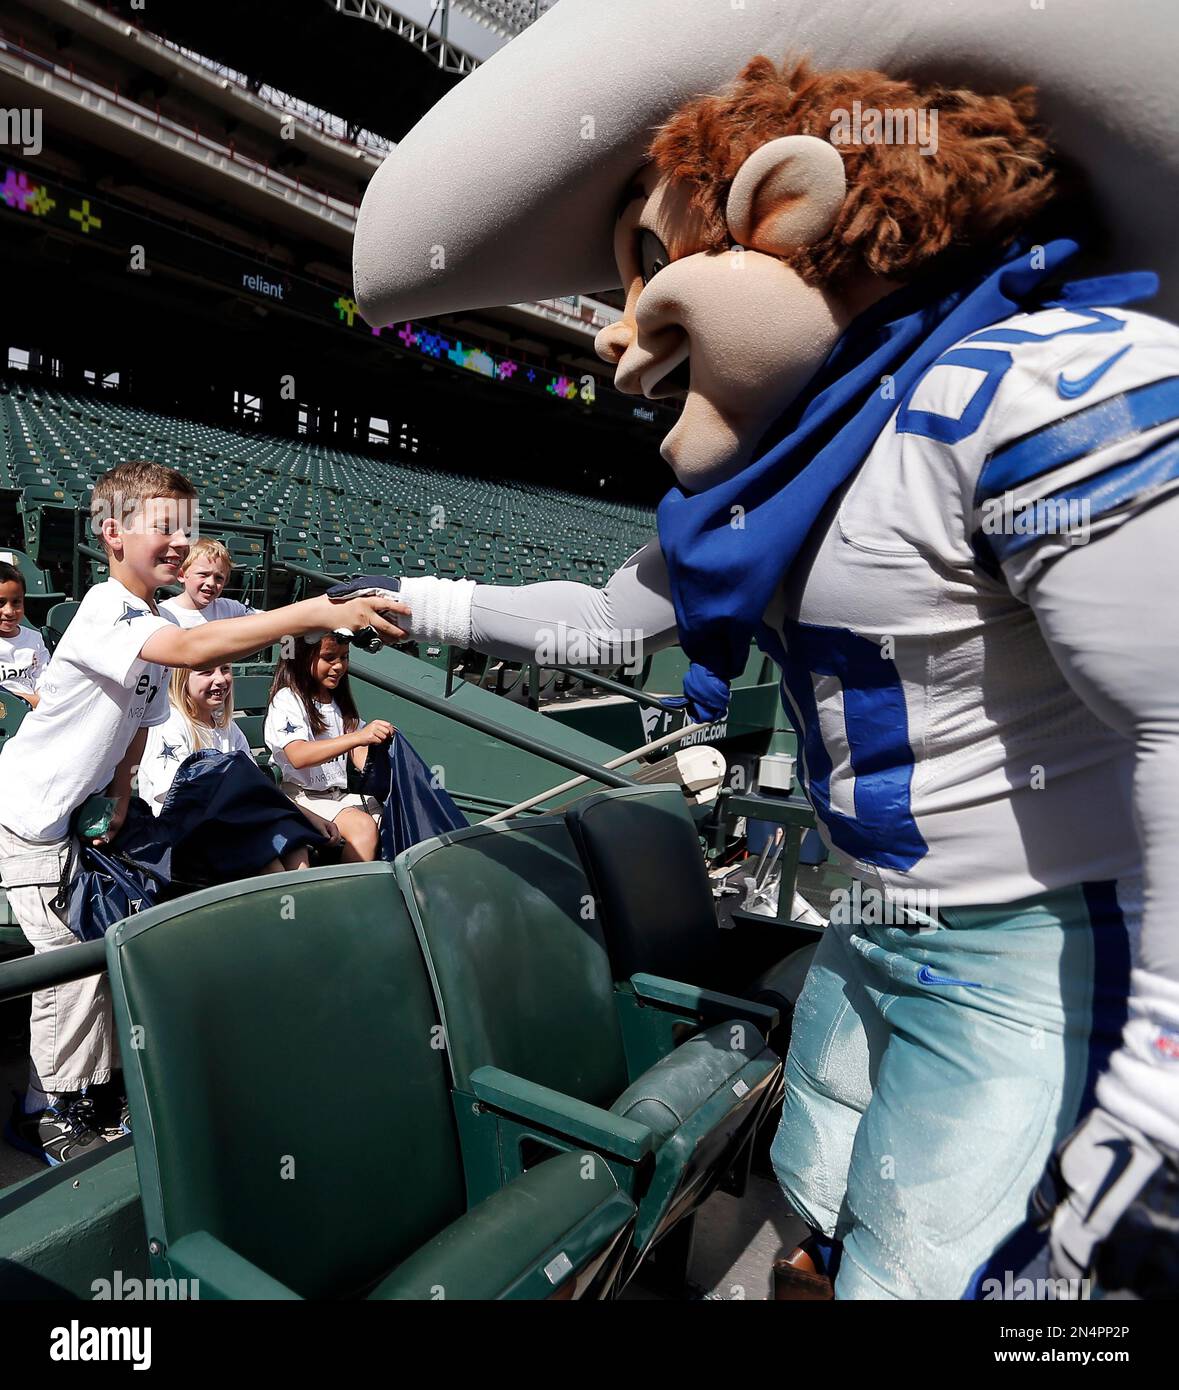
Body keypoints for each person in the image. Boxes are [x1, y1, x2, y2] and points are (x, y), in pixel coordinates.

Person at [352, 0, 1179, 1297]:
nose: (619, 333)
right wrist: (417, 597)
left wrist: (1161, 1087)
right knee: (803, 1192)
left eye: (654, 262)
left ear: (801, 209)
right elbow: (609, 624)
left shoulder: (1043, 384)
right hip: (872, 915)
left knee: (930, 1273)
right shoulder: (785, 463)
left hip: (1033, 948)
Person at [0, 459, 407, 1165]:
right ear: (113, 534)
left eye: (187, 530)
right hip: (28, 820)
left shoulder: (150, 619)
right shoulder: (105, 609)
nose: (180, 543)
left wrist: (123, 789)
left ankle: (89, 1090)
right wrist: (314, 610)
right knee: (67, 962)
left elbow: (139, 717)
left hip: (76, 825)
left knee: (103, 954)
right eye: (164, 528)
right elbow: (191, 648)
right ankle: (48, 1111)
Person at [139, 662, 342, 871]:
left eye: (225, 669)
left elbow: (259, 787)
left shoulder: (226, 726)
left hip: (230, 820)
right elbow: (178, 801)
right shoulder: (170, 724)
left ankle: (299, 900)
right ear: (182, 680)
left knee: (294, 841)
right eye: (207, 672)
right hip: (182, 832)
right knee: (264, 855)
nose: (220, 679)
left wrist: (308, 816)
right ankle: (282, 900)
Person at [264, 633, 393, 864]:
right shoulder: (287, 699)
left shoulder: (337, 700)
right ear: (303, 657)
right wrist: (358, 738)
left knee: (394, 818)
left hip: (337, 796)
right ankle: (347, 898)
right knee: (363, 827)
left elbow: (359, 755)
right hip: (300, 798)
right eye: (329, 657)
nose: (338, 666)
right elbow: (298, 755)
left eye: (344, 657)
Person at [159, 538, 256, 627]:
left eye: (219, 578)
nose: (211, 583)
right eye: (203, 574)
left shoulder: (230, 609)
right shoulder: (164, 613)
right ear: (181, 575)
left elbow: (265, 619)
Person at [0, 560, 50, 711]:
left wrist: (41, 702)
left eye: (16, 602)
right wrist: (28, 701)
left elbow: (44, 682)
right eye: (0, 603)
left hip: (33, 715)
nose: (9, 612)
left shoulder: (35, 639)